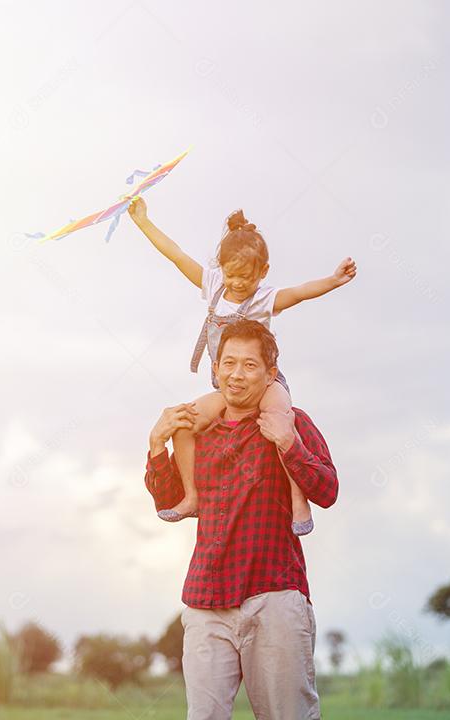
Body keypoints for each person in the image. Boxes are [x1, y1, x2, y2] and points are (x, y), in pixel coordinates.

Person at [145, 319, 338, 719]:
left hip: (274, 595)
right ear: (215, 370)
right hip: (206, 600)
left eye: (249, 365)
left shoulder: (290, 421)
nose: (236, 374)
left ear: (270, 375)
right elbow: (169, 501)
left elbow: (328, 490)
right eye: (228, 363)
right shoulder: (199, 432)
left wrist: (289, 444)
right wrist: (155, 445)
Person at [128, 196, 354, 534]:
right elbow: (175, 254)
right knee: (185, 423)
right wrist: (144, 222)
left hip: (265, 386)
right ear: (221, 269)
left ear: (262, 272)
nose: (237, 284)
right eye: (231, 275)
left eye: (246, 278)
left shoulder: (264, 297)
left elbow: (302, 292)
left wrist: (333, 280)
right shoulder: (214, 286)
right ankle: (191, 496)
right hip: (226, 387)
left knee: (280, 421)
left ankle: (297, 499)